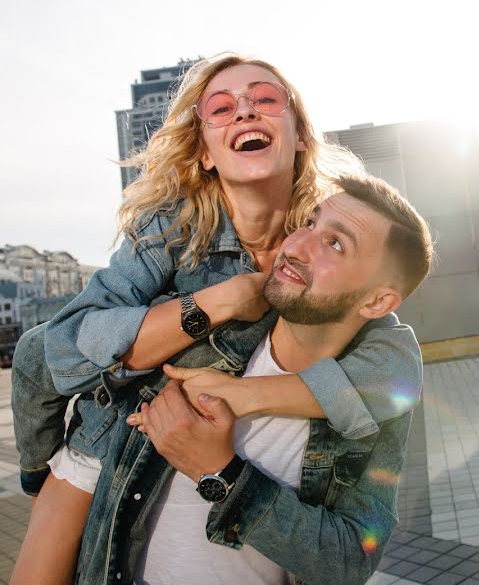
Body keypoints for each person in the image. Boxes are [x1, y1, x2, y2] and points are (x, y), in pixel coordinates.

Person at [10, 55, 422, 584]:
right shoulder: (168, 234)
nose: (246, 111)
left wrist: (242, 397)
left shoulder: (319, 253)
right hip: (107, 444)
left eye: (266, 99)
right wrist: (221, 301)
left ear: (299, 133)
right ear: (204, 152)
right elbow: (56, 347)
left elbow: (396, 369)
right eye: (222, 108)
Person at [78, 174, 433, 584]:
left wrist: (219, 473)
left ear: (377, 301)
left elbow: (349, 559)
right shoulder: (200, 342)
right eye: (309, 224)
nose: (297, 246)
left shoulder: (372, 406)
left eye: (335, 244)